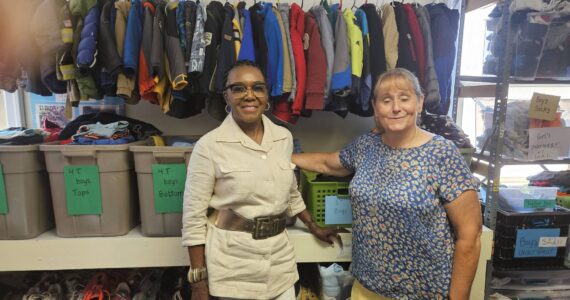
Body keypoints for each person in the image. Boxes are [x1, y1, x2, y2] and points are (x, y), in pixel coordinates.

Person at [293, 68, 482, 300]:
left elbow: (470, 236)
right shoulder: (367, 145)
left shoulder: (442, 153)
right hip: (366, 290)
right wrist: (277, 156)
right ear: (375, 107)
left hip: (423, 293)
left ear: (420, 102)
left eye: (404, 98)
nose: (395, 108)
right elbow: (327, 163)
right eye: (386, 100)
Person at [181, 60, 339, 300]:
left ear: (267, 96)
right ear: (226, 96)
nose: (249, 95)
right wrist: (198, 280)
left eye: (257, 87)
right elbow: (193, 217)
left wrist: (313, 225)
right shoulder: (209, 146)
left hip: (280, 264)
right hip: (233, 267)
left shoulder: (283, 138)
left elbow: (291, 192)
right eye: (238, 88)